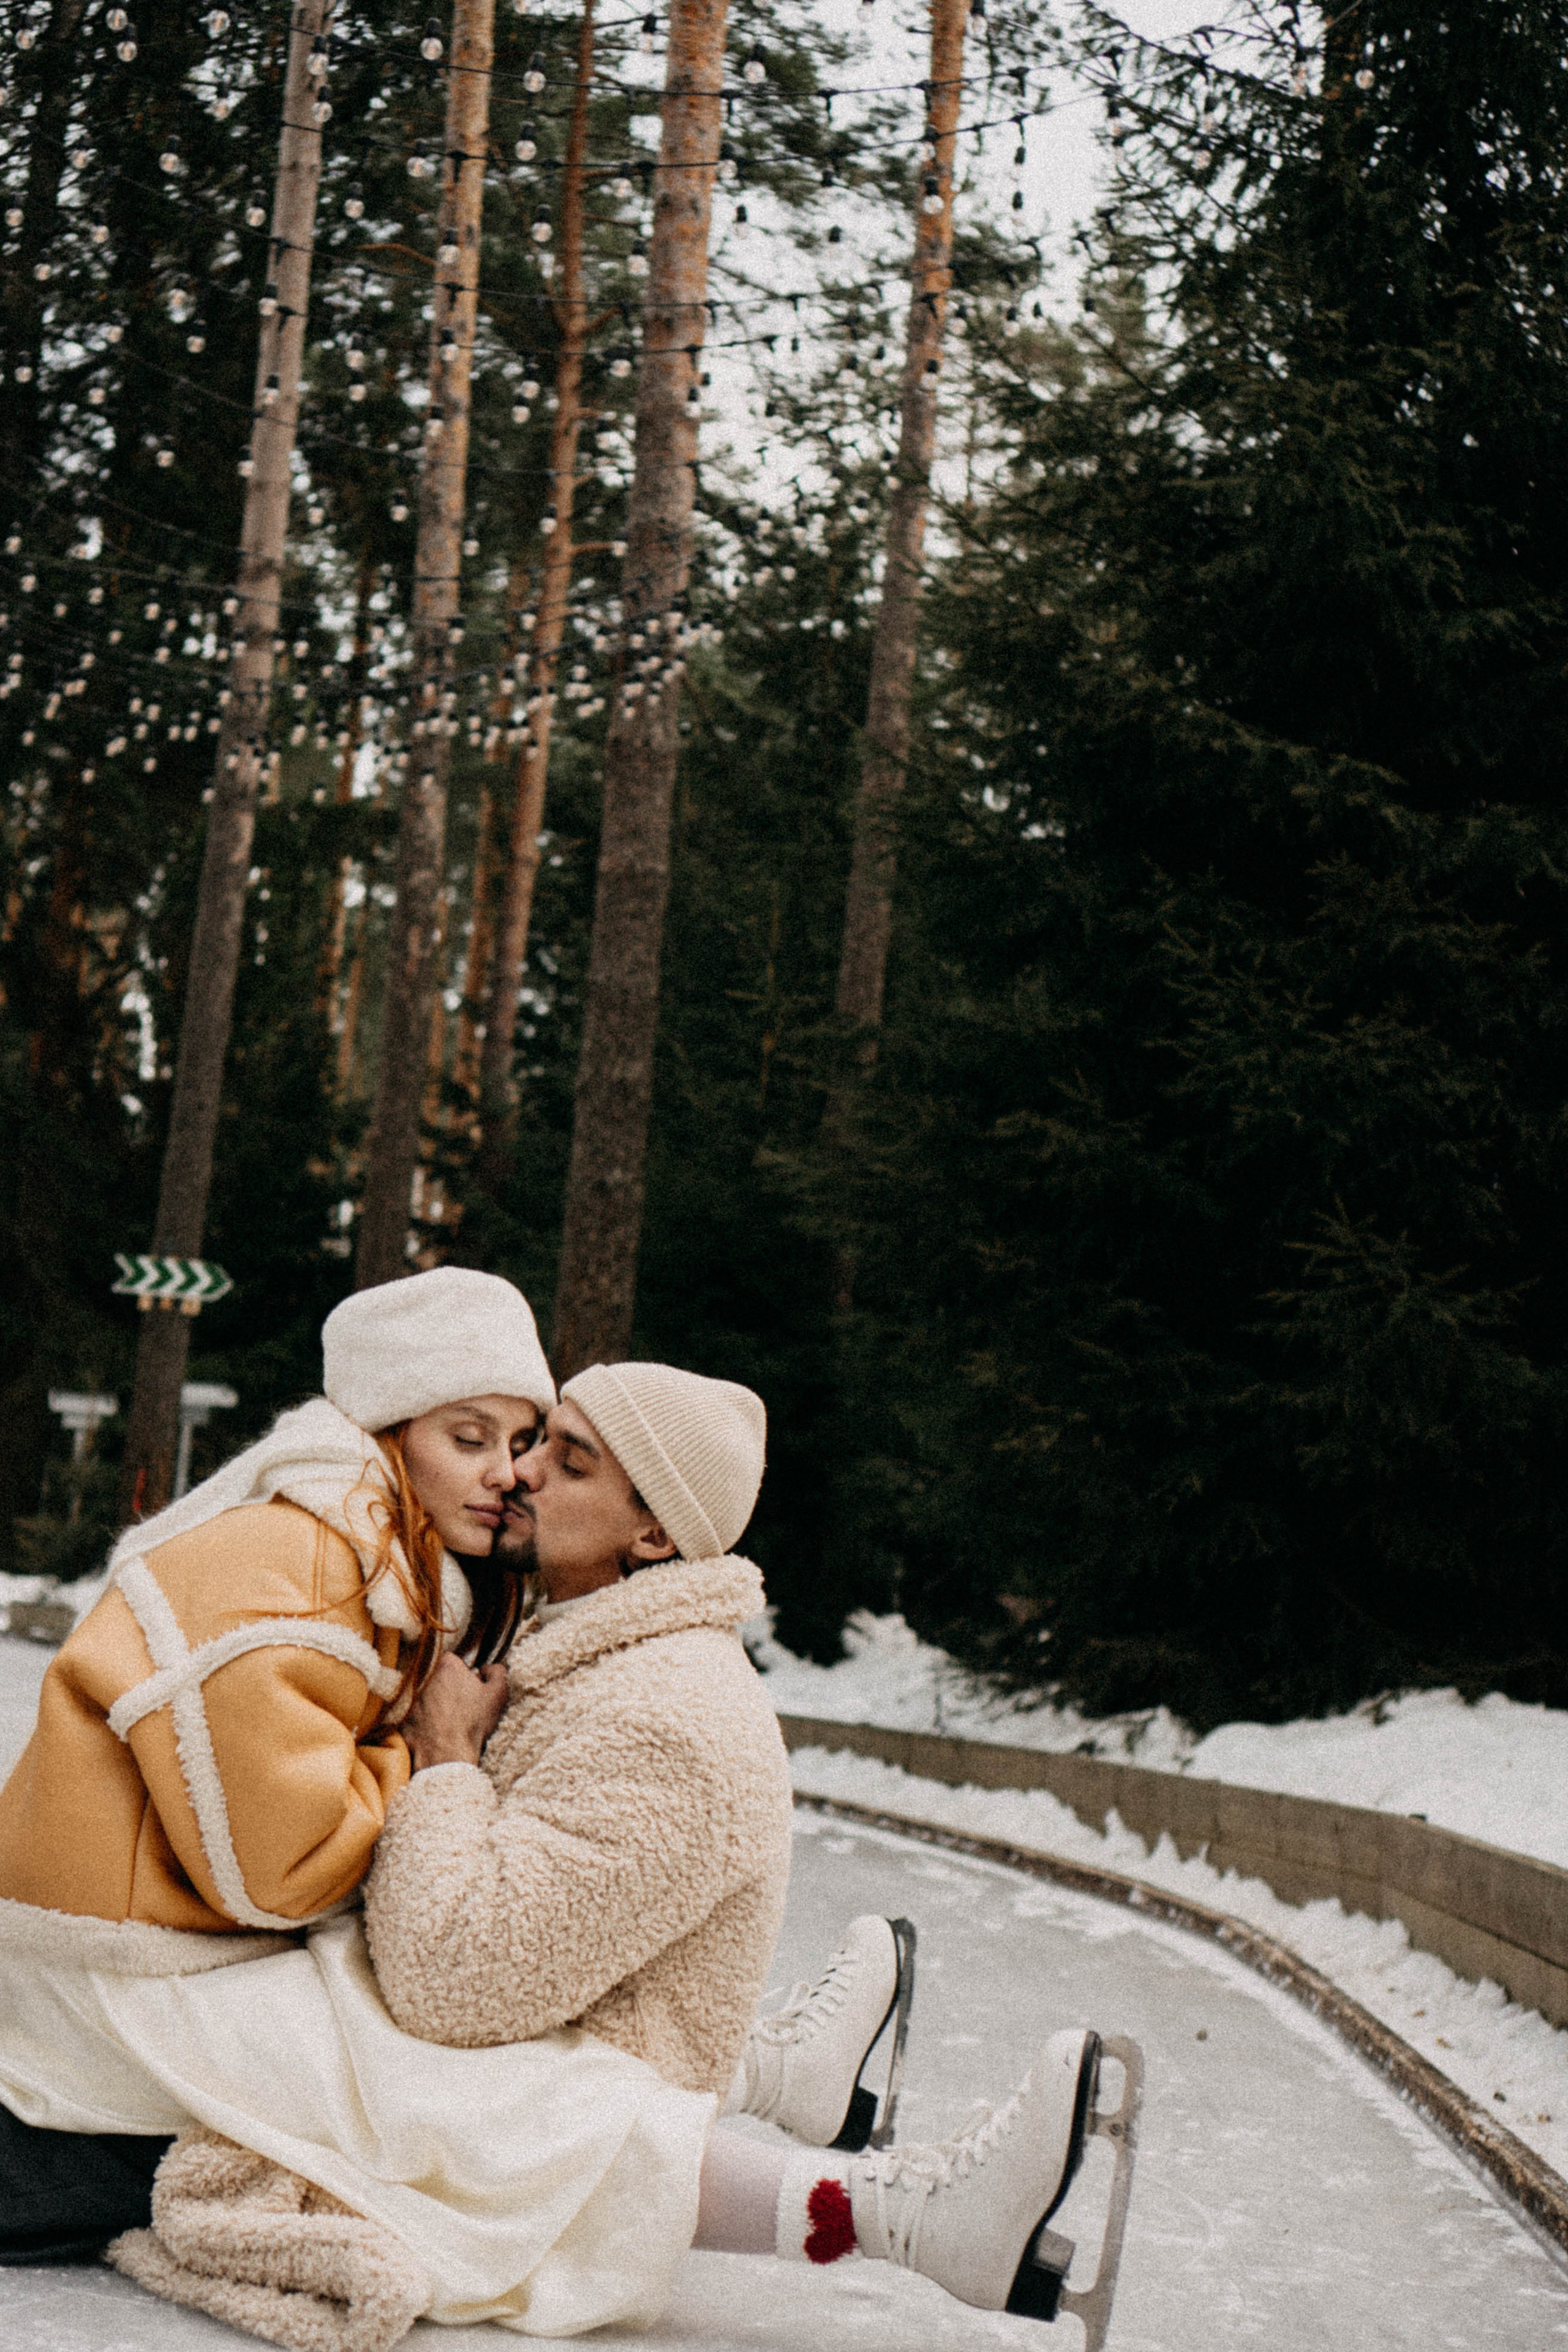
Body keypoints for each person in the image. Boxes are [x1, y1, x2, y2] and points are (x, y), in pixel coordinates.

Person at [14, 1361, 1131, 2348]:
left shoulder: (672, 1719)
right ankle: (799, 2093)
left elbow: (455, 1981)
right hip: (433, 2003)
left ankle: (906, 2211)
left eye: (567, 1458)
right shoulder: (582, 1650)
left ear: (651, 1534)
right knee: (295, 2048)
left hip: (529, 2033)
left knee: (405, 2080)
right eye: (526, 1439)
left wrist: (445, 1760)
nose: (522, 1473)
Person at [0, 1264, 557, 2260]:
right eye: (466, 1437)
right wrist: (438, 1755)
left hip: (172, 1946)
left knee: (449, 2058)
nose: (505, 1473)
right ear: (388, 1433)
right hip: (114, 1975)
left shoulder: (379, 1567)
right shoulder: (301, 1559)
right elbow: (283, 1868)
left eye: (520, 1443)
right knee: (431, 2098)